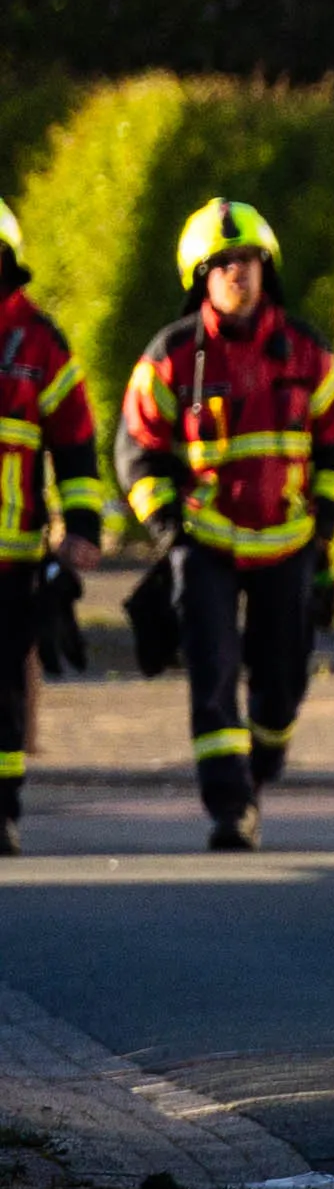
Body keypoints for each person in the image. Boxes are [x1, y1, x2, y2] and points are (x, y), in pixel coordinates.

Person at [116, 199, 334, 853]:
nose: (235, 275)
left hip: (286, 546)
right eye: (220, 265)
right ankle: (229, 808)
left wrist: (324, 526)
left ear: (264, 267)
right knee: (212, 672)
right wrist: (168, 526)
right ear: (201, 277)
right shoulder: (170, 358)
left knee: (281, 683)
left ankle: (264, 762)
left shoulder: (309, 354)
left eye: (244, 261)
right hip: (207, 547)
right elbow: (137, 449)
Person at [0, 202, 87, 857]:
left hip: (13, 557)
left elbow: (75, 441)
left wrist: (81, 525)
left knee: (3, 683)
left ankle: (0, 812)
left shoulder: (38, 341)